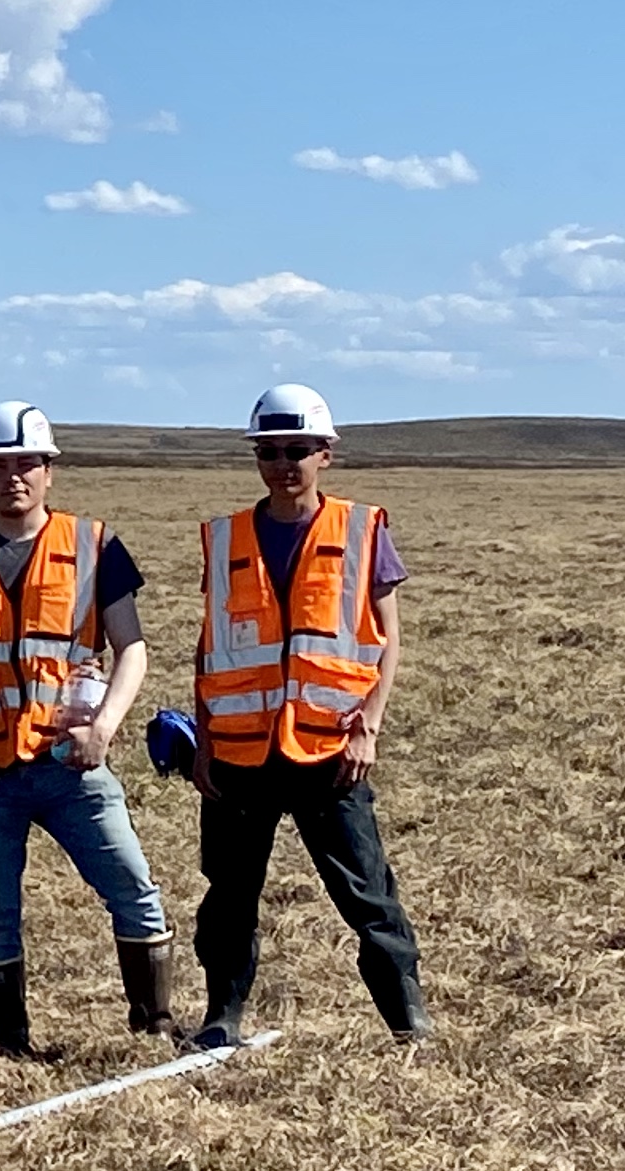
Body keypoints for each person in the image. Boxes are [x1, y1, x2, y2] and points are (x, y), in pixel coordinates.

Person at [0, 402, 177, 1056]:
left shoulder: (95, 545)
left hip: (71, 763)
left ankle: (154, 1027)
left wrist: (104, 729)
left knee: (133, 887)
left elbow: (131, 648)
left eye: (26, 461)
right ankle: (11, 1043)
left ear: (49, 469)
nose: (12, 476)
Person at [187, 382, 426, 1045]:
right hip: (240, 752)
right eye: (269, 452)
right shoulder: (225, 536)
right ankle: (221, 1016)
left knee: (367, 893)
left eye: (297, 450)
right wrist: (204, 738)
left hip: (330, 748)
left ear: (327, 453)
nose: (283, 464)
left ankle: (408, 1021)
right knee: (229, 899)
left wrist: (367, 727)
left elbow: (386, 638)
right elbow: (212, 644)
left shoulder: (361, 528)